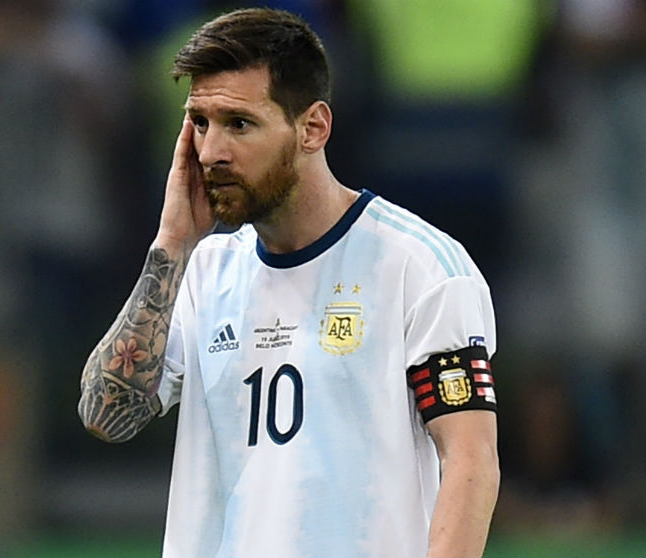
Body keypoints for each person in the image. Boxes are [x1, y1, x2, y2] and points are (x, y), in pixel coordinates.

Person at [78, 8, 499, 557]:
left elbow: (471, 462)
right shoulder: (202, 274)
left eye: (239, 124)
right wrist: (171, 246)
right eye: (200, 123)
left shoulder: (419, 269)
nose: (211, 152)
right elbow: (105, 415)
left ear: (313, 128)